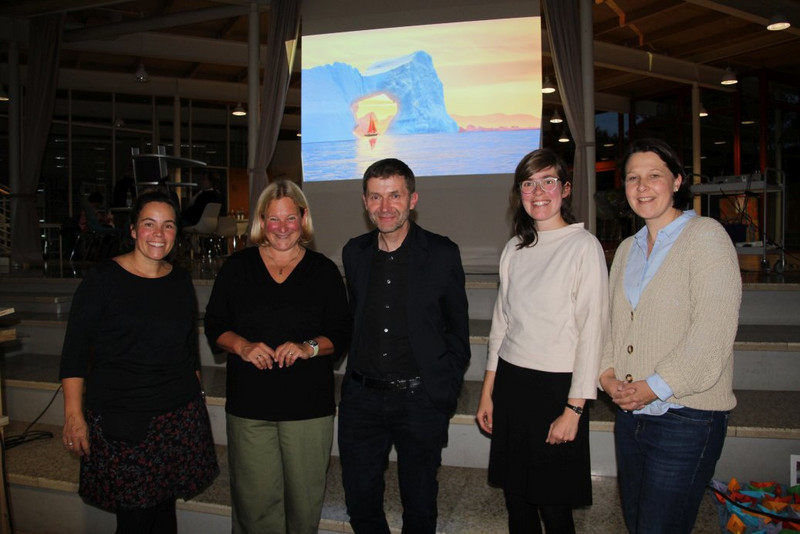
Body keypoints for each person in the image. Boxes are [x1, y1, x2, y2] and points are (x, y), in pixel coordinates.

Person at [598, 138, 741, 534]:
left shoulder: (706, 236)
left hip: (687, 416)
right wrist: (607, 375)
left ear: (677, 181)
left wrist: (654, 386)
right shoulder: (627, 249)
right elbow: (612, 325)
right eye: (632, 178)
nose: (642, 187)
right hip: (630, 415)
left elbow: (712, 334)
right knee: (637, 522)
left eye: (654, 176)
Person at [60, 190, 219, 534]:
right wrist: (74, 415)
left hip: (177, 416)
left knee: (164, 514)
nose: (159, 234)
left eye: (168, 226)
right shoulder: (103, 279)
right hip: (124, 421)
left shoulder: (178, 279)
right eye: (149, 224)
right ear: (132, 230)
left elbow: (188, 345)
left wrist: (196, 398)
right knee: (135, 520)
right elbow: (74, 352)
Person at [203, 180, 350, 534]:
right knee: (254, 510)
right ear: (261, 221)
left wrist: (308, 347)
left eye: (290, 218)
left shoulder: (324, 271)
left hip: (308, 409)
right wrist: (243, 346)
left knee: (303, 508)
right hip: (250, 407)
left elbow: (341, 333)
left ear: (303, 219)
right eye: (273, 219)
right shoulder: (237, 268)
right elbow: (215, 324)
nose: (282, 228)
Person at [476, 148, 609, 534]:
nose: (538, 191)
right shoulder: (515, 248)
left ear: (565, 189)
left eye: (548, 181)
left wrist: (575, 410)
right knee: (515, 501)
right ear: (519, 192)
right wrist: (488, 392)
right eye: (528, 183)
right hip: (513, 384)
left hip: (557, 390)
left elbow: (592, 333)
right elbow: (501, 324)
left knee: (553, 506)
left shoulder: (583, 247)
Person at [338, 158, 471, 534]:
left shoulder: (443, 254)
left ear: (413, 199)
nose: (385, 207)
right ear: (365, 202)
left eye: (394, 195)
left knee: (420, 505)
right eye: (376, 197)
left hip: (420, 400)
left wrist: (442, 389)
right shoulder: (355, 253)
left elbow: (457, 333)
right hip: (361, 401)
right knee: (360, 503)